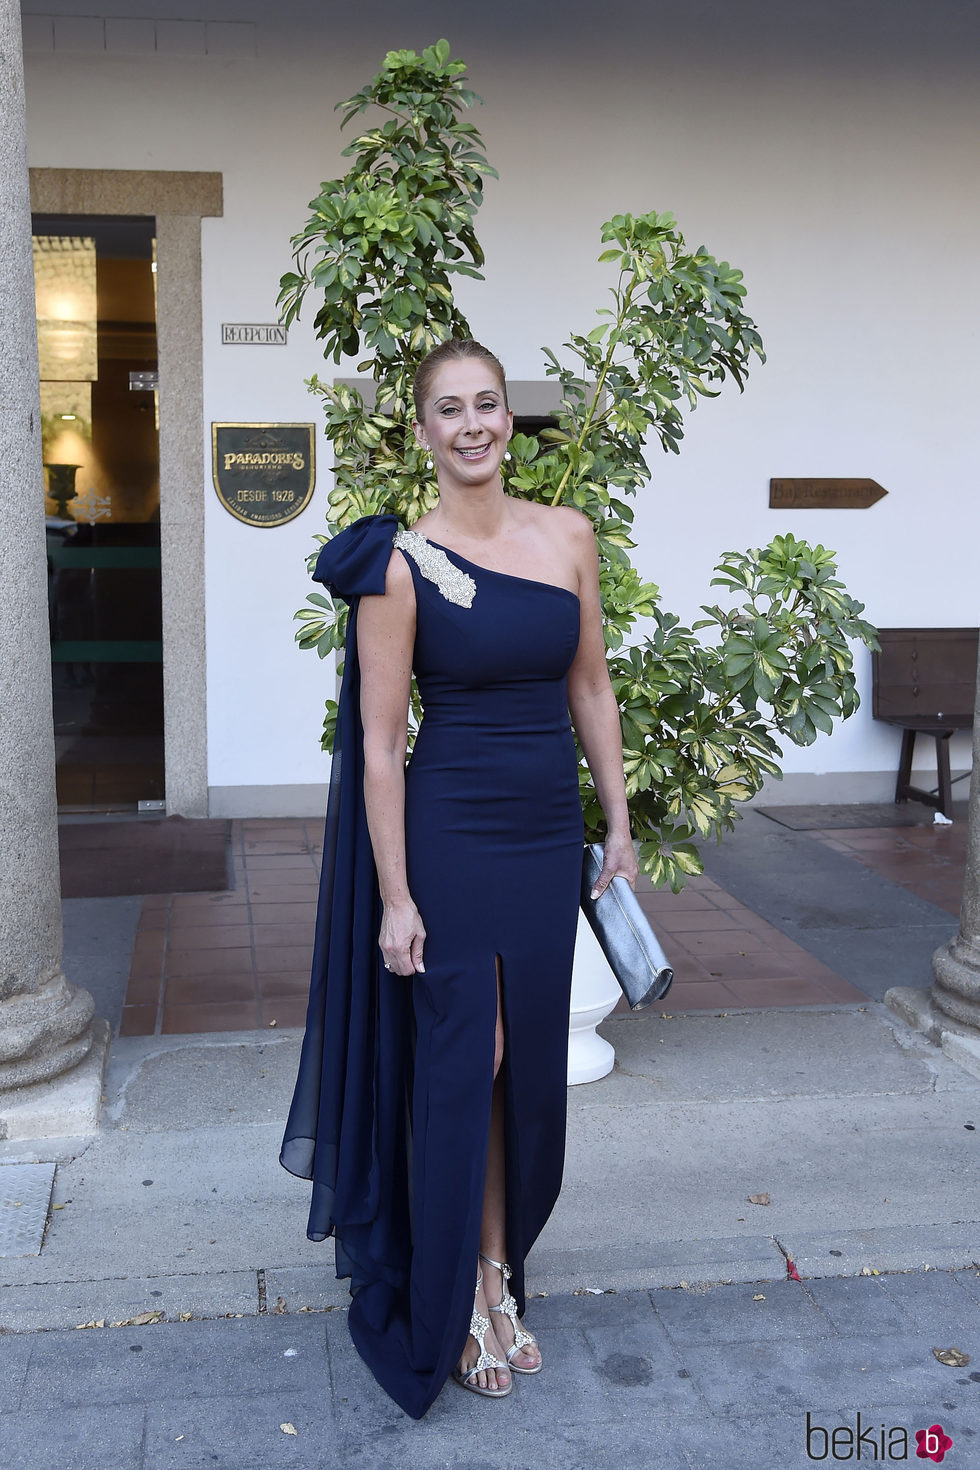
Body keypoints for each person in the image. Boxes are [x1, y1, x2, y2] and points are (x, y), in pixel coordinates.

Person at [280, 338, 637, 1419]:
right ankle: (458, 1293)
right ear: (423, 430)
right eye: (450, 409)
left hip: (539, 838)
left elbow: (592, 688)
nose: (473, 424)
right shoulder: (399, 564)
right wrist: (395, 896)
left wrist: (615, 821)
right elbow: (380, 746)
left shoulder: (567, 534)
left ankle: (497, 1270)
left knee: (520, 1065)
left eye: (488, 405)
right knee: (465, 1059)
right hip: (448, 834)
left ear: (508, 421)